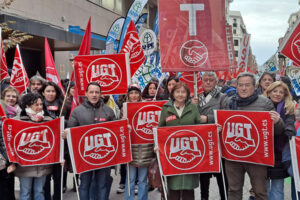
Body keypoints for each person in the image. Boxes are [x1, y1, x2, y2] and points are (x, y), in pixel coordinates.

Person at [222, 72, 284, 200]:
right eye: (240, 85)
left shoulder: (265, 103)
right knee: (233, 190)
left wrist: (277, 122)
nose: (243, 88)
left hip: (257, 157)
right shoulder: (228, 102)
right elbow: (221, 122)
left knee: (259, 191)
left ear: (254, 86)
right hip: (234, 156)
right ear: (236, 86)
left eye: (247, 85)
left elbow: (277, 131)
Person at [67, 82, 116, 200]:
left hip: (104, 156)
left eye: (97, 92)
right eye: (91, 92)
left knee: (102, 185)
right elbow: (70, 131)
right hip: (84, 156)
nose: (94, 95)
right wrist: (66, 133)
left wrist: (124, 129)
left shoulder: (109, 111)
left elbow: (116, 131)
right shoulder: (77, 111)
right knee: (84, 185)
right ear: (86, 94)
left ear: (101, 94)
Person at [159, 82, 202, 200]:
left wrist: (214, 129)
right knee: (173, 188)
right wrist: (156, 146)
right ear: (173, 94)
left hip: (190, 153)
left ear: (187, 94)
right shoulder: (166, 108)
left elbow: (200, 126)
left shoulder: (193, 107)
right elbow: (160, 129)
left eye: (183, 92)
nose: (180, 95)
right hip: (173, 154)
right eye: (178, 92)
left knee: (189, 189)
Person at [192, 72, 228, 200]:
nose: (207, 82)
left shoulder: (223, 97)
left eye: (211, 80)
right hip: (203, 144)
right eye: (205, 80)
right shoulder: (196, 97)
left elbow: (226, 117)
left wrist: (207, 118)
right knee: (204, 180)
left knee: (222, 179)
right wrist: (192, 106)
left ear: (216, 82)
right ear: (201, 81)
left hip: (218, 144)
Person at [13, 93, 53, 200]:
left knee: (39, 192)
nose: (40, 107)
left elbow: (54, 141)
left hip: (42, 165)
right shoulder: (17, 121)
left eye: (41, 104)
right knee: (25, 193)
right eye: (36, 104)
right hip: (24, 166)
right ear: (27, 106)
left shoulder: (49, 120)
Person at [263, 81, 295, 200]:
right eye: (275, 91)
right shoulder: (261, 105)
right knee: (262, 189)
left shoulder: (289, 107)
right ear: (269, 92)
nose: (277, 94)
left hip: (279, 153)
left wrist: (289, 129)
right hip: (263, 153)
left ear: (285, 94)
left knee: (277, 189)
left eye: (281, 92)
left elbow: (290, 123)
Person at [124, 84, 154, 200]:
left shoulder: (147, 106)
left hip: (145, 148)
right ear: (128, 95)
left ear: (140, 94)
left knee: (142, 179)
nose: (134, 95)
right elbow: (119, 128)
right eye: (131, 93)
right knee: (130, 179)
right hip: (130, 149)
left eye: (136, 93)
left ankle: (142, 198)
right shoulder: (124, 108)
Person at [40, 81, 64, 200]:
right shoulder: (38, 106)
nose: (50, 93)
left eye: (53, 91)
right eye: (48, 91)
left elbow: (70, 123)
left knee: (58, 177)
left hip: (59, 148)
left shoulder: (62, 105)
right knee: (45, 178)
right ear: (43, 93)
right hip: (44, 149)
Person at [0, 86, 21, 200]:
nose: (11, 98)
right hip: (4, 157)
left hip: (16, 154)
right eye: (8, 96)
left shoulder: (20, 112)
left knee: (10, 185)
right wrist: (8, 159)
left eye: (14, 96)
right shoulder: (0, 111)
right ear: (3, 97)